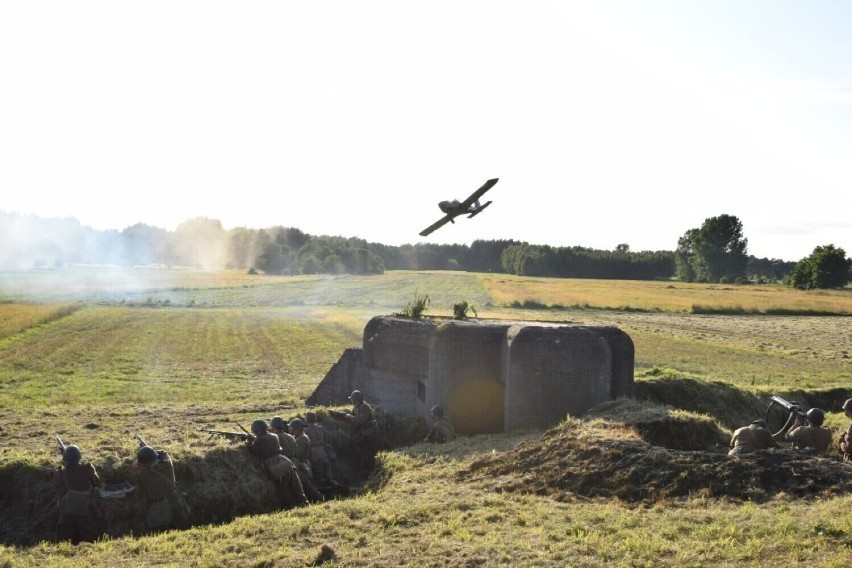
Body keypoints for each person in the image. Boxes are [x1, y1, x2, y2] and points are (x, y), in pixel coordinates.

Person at [248, 419, 306, 508]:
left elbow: (253, 450)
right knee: (296, 485)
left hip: (274, 466)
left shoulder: (258, 441)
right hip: (285, 462)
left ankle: (290, 507)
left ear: (257, 430)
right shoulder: (274, 436)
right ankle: (303, 502)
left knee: (283, 489)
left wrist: (249, 441)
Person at [134, 444, 190, 531]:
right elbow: (164, 453)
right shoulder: (168, 465)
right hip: (177, 503)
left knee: (162, 533)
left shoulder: (144, 475)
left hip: (160, 509)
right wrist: (152, 451)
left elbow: (137, 466)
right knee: (184, 530)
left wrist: (138, 461)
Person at [54, 444, 102, 544]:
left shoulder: (59, 473)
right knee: (91, 541)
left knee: (66, 543)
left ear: (64, 458)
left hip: (66, 512)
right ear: (79, 457)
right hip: (86, 510)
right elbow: (98, 483)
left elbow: (57, 489)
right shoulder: (88, 468)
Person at [339, 390, 382, 468]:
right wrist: (343, 414)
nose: (351, 400)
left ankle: (375, 463)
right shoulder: (356, 406)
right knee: (354, 441)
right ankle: (364, 460)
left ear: (356, 400)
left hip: (371, 432)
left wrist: (350, 417)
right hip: (364, 431)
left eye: (352, 399)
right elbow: (353, 416)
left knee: (375, 450)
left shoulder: (365, 407)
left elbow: (361, 421)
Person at [288, 418, 324, 502]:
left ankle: (320, 499)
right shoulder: (298, 436)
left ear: (296, 429)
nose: (289, 428)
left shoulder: (302, 439)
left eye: (291, 427)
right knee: (307, 485)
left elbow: (297, 454)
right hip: (303, 464)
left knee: (308, 486)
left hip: (302, 465)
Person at [304, 411, 336, 488]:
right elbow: (330, 436)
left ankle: (327, 493)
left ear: (306, 419)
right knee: (329, 475)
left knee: (320, 477)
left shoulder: (305, 430)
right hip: (324, 453)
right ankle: (337, 488)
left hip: (315, 455)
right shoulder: (320, 428)